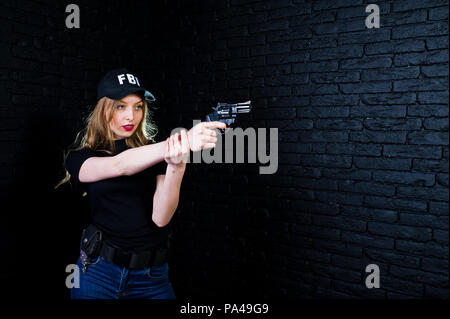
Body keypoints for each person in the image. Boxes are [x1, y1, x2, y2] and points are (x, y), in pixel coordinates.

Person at [55, 68, 226, 299]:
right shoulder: (80, 157)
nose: (131, 116)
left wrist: (177, 163)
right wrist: (182, 139)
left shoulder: (152, 152)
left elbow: (161, 217)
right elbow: (119, 165)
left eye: (138, 106)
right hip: (98, 275)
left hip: (151, 279)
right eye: (121, 106)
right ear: (104, 109)